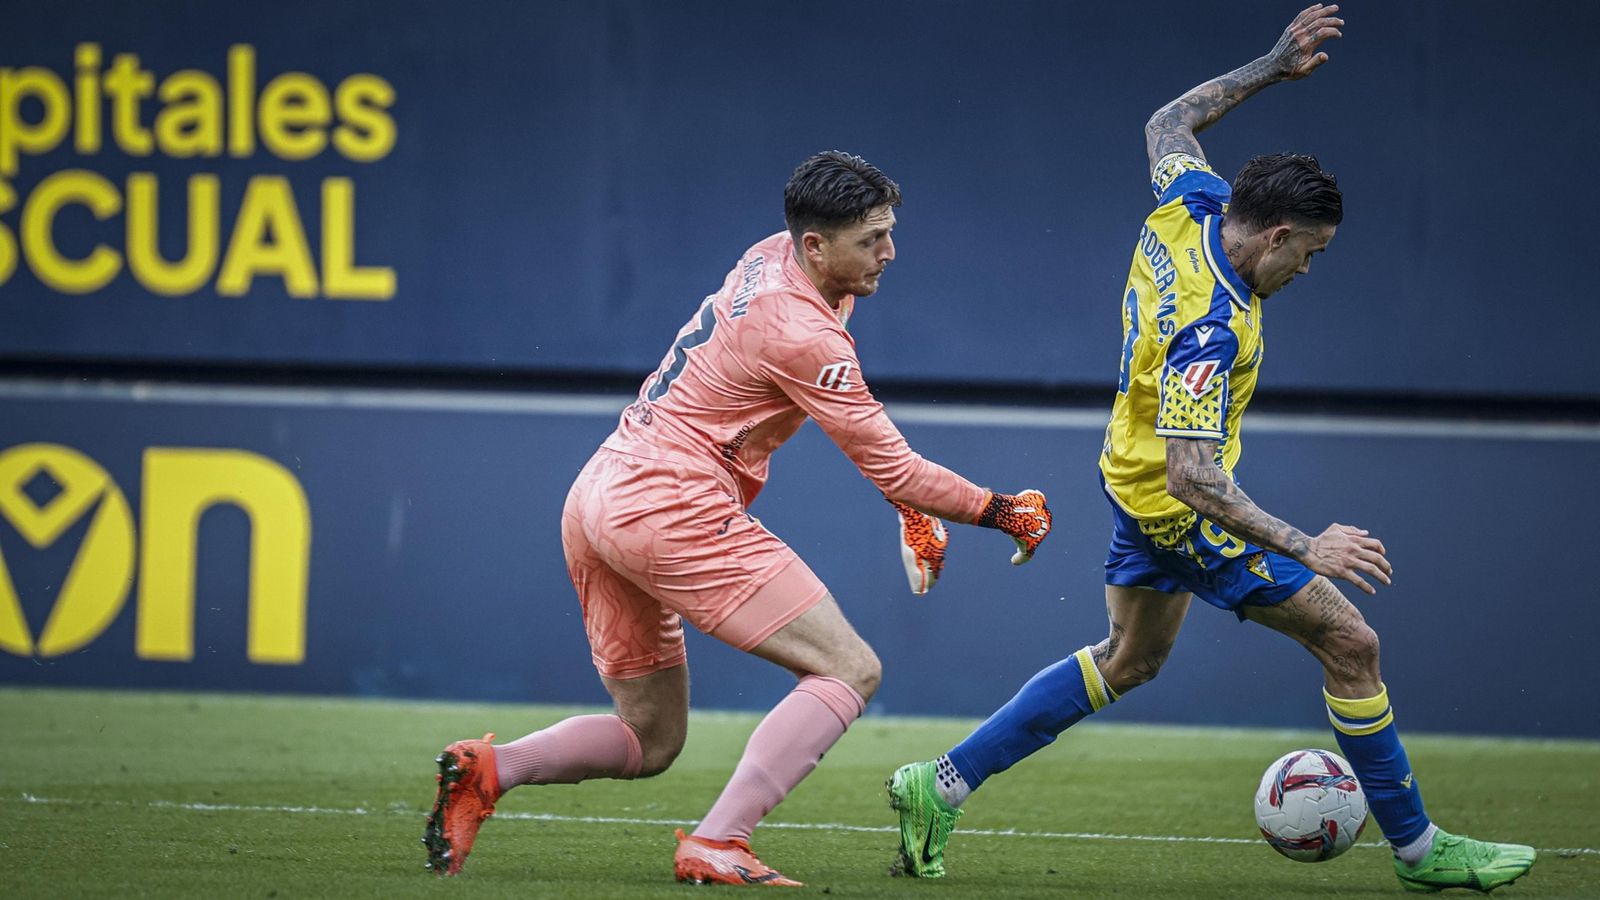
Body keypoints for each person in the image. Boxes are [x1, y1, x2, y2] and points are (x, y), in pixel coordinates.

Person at [886, 5, 1537, 893]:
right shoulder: (1211, 331)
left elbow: (1168, 122)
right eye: (1309, 253)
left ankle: (940, 784)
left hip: (1127, 473)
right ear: (1275, 235)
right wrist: (1309, 545)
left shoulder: (1190, 204)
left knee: (1130, 660)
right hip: (1176, 505)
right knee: (1352, 643)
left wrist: (1271, 65)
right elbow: (1195, 478)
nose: (1307, 271)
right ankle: (1421, 852)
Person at [421, 150, 1054, 886]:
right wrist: (1003, 510)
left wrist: (907, 504)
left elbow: (876, 458)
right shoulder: (804, 334)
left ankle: (491, 769)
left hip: (600, 491)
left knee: (650, 739)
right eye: (872, 239)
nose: (890, 252)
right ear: (816, 245)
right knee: (849, 669)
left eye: (888, 232)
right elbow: (897, 467)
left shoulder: (774, 254)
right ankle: (719, 840)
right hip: (669, 503)